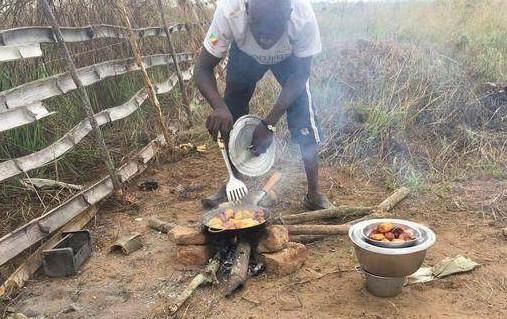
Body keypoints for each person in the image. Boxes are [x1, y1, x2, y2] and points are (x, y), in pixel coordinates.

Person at [195, 0, 333, 210]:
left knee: (303, 114)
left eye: (274, 29)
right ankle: (233, 182)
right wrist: (219, 107)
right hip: (245, 54)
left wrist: (270, 122)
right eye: (259, 28)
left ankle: (314, 194)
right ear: (247, 11)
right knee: (230, 110)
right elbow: (203, 68)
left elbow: (301, 74)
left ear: (289, 15)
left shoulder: (303, 17)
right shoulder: (230, 11)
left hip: (289, 59)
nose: (266, 39)